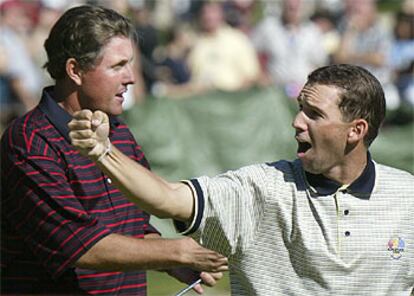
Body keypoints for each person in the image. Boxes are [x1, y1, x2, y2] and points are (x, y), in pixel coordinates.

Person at [69, 63, 414, 295]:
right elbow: (167, 198)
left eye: (314, 114)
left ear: (356, 131)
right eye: (299, 109)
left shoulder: (407, 198)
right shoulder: (262, 188)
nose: (297, 123)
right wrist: (103, 153)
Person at [0, 5, 228, 295]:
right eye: (117, 66)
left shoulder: (119, 134)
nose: (131, 77)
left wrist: (172, 262)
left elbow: (134, 229)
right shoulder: (29, 143)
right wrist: (175, 252)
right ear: (75, 71)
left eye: (130, 64)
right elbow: (79, 245)